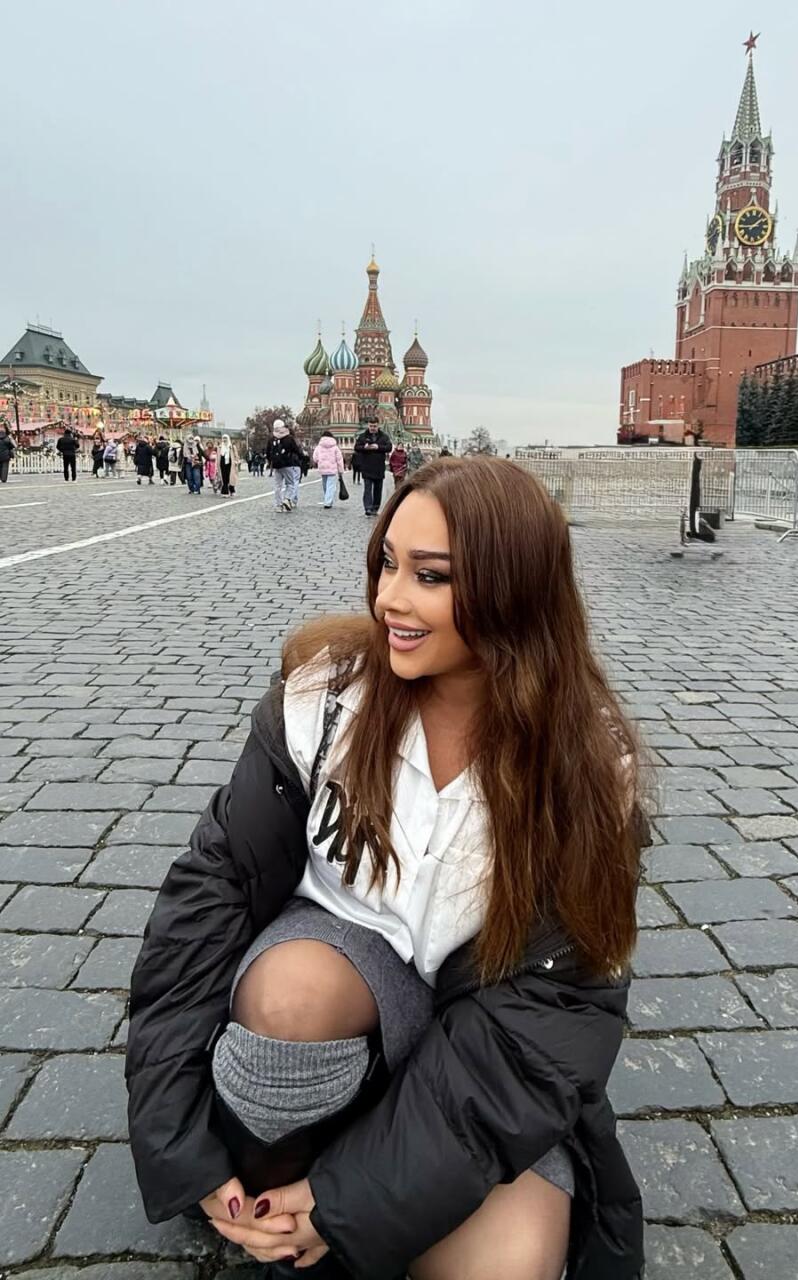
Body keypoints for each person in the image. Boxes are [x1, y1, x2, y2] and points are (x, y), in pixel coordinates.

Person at [126, 457, 648, 1280]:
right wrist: (181, 1147)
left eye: (430, 576)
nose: (390, 600)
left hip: (478, 1049)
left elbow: (552, 1017)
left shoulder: (582, 775)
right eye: (387, 564)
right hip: (338, 990)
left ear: (513, 590)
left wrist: (353, 1201)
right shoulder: (327, 701)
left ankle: (349, 1203)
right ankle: (284, 1201)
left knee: (508, 1268)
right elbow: (207, 902)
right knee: (291, 997)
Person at [353, 422, 391, 518]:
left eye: (374, 426)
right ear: (368, 426)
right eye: (371, 426)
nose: (372, 428)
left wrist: (378, 447)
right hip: (367, 467)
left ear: (378, 426)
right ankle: (368, 508)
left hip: (379, 467)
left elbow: (389, 447)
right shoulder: (363, 436)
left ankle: (375, 507)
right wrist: (364, 447)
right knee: (367, 489)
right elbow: (356, 447)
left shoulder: (384, 436)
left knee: (378, 489)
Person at [267, 421, 302, 512]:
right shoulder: (288, 438)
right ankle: (287, 498)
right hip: (287, 464)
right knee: (290, 484)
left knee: (277, 486)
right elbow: (296, 450)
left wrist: (271, 462)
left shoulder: (272, 439)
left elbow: (267, 452)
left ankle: (278, 505)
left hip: (276, 465)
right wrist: (302, 457)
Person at [312, 430, 345, 509]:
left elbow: (315, 458)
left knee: (325, 485)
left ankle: (327, 499)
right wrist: (341, 470)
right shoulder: (335, 447)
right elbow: (339, 460)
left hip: (322, 468)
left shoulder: (319, 447)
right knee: (331, 486)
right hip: (332, 469)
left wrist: (319, 461)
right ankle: (328, 501)